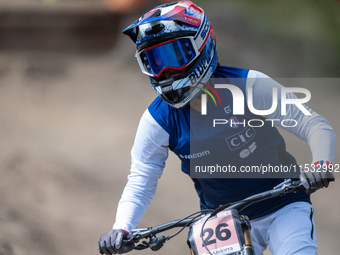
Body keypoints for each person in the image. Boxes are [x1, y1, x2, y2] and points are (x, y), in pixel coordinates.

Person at [98, 1, 336, 255]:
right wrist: (122, 227)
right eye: (155, 61)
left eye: (172, 56)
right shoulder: (157, 119)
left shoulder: (249, 85)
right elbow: (141, 179)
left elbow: (313, 124)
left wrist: (322, 163)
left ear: (200, 45)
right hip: (222, 221)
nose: (166, 72)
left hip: (284, 204)